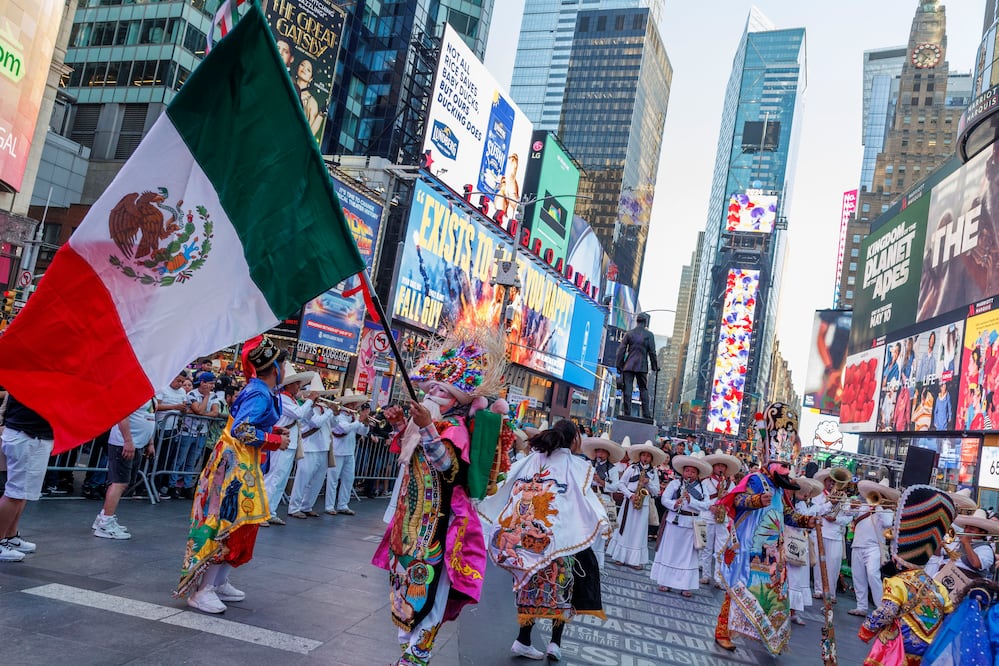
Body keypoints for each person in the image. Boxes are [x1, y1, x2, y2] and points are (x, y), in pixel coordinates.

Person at [372, 324, 507, 666]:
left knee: (429, 594)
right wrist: (402, 424)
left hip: (439, 529)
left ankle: (417, 656)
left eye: (440, 392)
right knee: (405, 592)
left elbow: (449, 470)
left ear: (456, 401)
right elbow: (408, 455)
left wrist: (428, 429)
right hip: (411, 525)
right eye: (429, 389)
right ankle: (410, 653)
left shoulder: (455, 429)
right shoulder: (425, 427)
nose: (431, 396)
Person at [176, 336, 290, 613]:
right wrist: (274, 440)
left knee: (241, 524)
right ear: (276, 368)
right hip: (233, 468)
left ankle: (220, 581)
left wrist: (272, 432)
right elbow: (241, 430)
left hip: (241, 464)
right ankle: (204, 589)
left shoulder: (260, 390)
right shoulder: (260, 392)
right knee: (227, 524)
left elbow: (242, 423)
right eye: (284, 365)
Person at [480, 420, 609, 661]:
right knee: (562, 589)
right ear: (573, 440)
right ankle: (554, 643)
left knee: (531, 586)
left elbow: (506, 481)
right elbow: (586, 500)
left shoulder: (532, 459)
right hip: (560, 539)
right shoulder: (575, 465)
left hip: (531, 541)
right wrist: (602, 522)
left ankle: (524, 639)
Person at [713, 403, 816, 655]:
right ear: (769, 461)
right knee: (738, 592)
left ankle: (768, 636)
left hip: (773, 554)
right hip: (750, 551)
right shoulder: (755, 480)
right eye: (782, 465)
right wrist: (755, 500)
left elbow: (787, 514)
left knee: (773, 599)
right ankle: (722, 632)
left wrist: (805, 521)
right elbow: (736, 500)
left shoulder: (781, 488)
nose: (787, 470)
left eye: (788, 466)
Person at [859, 485, 955, 664]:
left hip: (899, 648)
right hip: (927, 649)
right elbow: (949, 615)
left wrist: (866, 629)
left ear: (897, 558)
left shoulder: (898, 583)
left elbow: (887, 612)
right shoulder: (938, 586)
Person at [92, 398, 157, 539]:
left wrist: (150, 442)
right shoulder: (133, 393)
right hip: (123, 444)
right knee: (119, 482)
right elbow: (122, 415)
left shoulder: (151, 395)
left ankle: (103, 517)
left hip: (138, 444)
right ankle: (105, 523)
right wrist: (127, 440)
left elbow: (150, 417)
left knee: (124, 483)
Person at [0, 394, 53, 562]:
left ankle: (10, 536)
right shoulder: (31, 376)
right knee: (15, 493)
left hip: (34, 435)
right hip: (26, 435)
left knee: (22, 493)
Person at [262, 366, 316, 525]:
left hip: (289, 443)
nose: (299, 386)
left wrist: (311, 405)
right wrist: (310, 401)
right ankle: (261, 513)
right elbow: (298, 414)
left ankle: (270, 511)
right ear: (288, 385)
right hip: (280, 442)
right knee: (273, 477)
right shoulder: (282, 398)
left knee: (281, 480)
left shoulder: (291, 399)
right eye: (296, 383)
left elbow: (305, 417)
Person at [652, 454, 712, 597]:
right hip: (674, 520)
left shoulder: (703, 488)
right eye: (687, 471)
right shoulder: (676, 483)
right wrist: (674, 504)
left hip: (691, 523)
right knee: (670, 551)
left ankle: (685, 585)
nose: (689, 474)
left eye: (692, 471)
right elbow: (664, 499)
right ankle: (665, 581)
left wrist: (691, 501)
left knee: (688, 556)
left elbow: (706, 505)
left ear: (697, 473)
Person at [606, 438, 663, 570]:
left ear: (651, 458)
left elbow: (657, 491)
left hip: (643, 504)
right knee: (625, 528)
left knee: (639, 531)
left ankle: (634, 560)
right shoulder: (632, 468)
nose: (645, 458)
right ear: (640, 456)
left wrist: (648, 482)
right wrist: (630, 495)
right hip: (630, 500)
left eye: (648, 456)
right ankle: (620, 556)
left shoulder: (653, 473)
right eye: (643, 455)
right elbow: (621, 484)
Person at [847, 479, 898, 618]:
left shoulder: (886, 511)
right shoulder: (864, 506)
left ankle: (880, 607)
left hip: (874, 547)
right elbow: (848, 516)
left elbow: (888, 523)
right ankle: (861, 606)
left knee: (873, 575)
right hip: (857, 544)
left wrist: (878, 506)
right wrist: (852, 506)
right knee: (858, 577)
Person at [169, 372, 223, 499]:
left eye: (213, 384)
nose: (212, 386)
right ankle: (172, 484)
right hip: (187, 432)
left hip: (202, 433)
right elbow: (198, 410)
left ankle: (187, 486)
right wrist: (205, 398)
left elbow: (214, 413)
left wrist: (201, 413)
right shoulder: (192, 394)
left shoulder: (214, 396)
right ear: (203, 382)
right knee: (180, 459)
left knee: (192, 461)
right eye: (210, 383)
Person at [287, 395, 337, 518]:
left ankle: (307, 506)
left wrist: (334, 414)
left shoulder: (324, 409)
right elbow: (315, 422)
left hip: (324, 447)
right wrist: (330, 410)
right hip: (309, 447)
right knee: (302, 479)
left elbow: (333, 425)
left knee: (317, 481)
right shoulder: (308, 407)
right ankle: (294, 508)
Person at [580, 432, 625, 568]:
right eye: (598, 451)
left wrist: (601, 482)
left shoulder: (612, 469)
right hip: (589, 496)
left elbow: (615, 486)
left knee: (600, 527)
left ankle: (596, 559)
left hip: (604, 498)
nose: (600, 454)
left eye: (603, 452)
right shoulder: (588, 464)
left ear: (607, 453)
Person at [811, 466, 854, 603]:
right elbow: (816, 511)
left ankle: (831, 593)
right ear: (824, 482)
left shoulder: (844, 497)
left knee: (834, 565)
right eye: (829, 481)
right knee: (819, 563)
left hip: (835, 534)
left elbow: (848, 517)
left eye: (833, 481)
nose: (831, 484)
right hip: (821, 532)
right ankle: (819, 590)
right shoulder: (818, 496)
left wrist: (837, 519)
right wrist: (830, 503)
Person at [324, 396, 371, 516]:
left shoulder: (353, 417)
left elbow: (363, 432)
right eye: (352, 404)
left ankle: (343, 505)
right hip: (337, 452)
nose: (354, 406)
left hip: (350, 452)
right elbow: (343, 429)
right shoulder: (338, 416)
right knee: (333, 480)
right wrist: (359, 421)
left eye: (355, 404)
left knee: (348, 479)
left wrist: (365, 424)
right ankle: (329, 506)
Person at [699, 451, 739, 586]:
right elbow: (700, 498)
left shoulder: (730, 484)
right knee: (705, 547)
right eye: (718, 466)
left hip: (723, 519)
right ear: (713, 467)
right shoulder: (705, 482)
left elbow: (734, 500)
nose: (721, 468)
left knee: (721, 549)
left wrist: (727, 498)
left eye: (723, 466)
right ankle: (705, 575)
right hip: (707, 516)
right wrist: (711, 506)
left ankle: (719, 577)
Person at [787, 477, 821, 626]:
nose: (807, 495)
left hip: (802, 542)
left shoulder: (803, 504)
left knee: (800, 578)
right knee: (792, 578)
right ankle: (788, 610)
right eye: (804, 493)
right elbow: (794, 520)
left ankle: (794, 611)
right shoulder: (792, 504)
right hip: (791, 542)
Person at [615, 312, 659, 419]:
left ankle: (627, 413)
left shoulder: (629, 334)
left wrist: (619, 366)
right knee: (643, 389)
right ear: (645, 322)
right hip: (642, 366)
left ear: (637, 321)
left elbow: (621, 351)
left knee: (627, 390)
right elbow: (652, 352)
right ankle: (646, 414)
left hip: (629, 365)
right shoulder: (649, 335)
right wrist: (654, 366)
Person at [154, 371, 190, 499]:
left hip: (174, 429)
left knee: (167, 459)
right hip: (160, 428)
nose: (180, 384)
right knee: (157, 458)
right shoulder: (163, 389)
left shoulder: (181, 392)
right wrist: (174, 406)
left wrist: (184, 409)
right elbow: (156, 406)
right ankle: (152, 485)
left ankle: (161, 486)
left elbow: (184, 407)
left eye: (182, 381)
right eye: (178, 380)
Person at [296, 59, 322, 139]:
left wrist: (320, 116)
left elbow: (311, 132)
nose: (304, 69)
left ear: (311, 78)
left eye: (308, 70)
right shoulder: (287, 82)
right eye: (302, 65)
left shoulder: (312, 102)